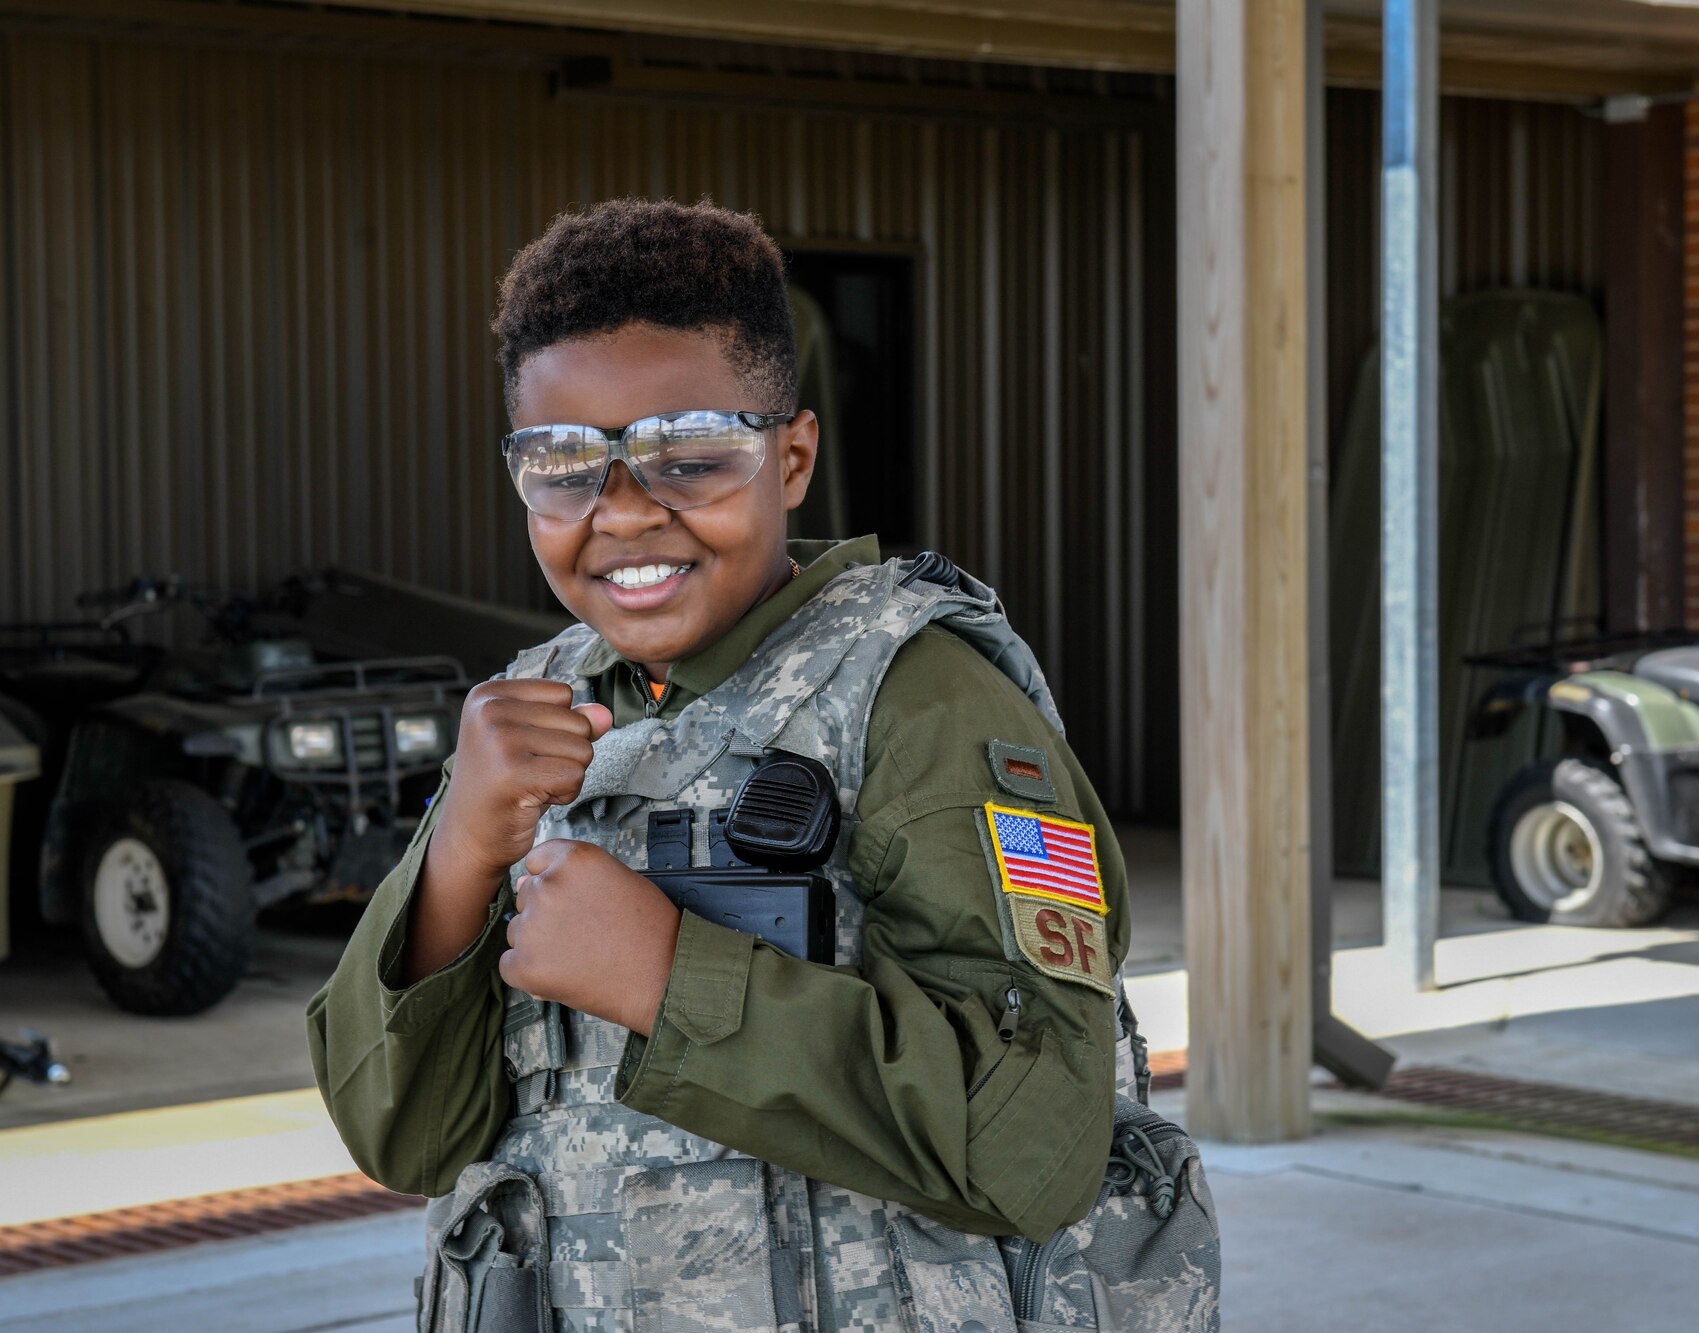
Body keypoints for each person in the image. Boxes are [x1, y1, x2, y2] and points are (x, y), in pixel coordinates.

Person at [307, 199, 1215, 1332]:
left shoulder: (919, 701)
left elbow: (1034, 1150)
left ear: (789, 457)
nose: (625, 514)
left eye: (688, 457)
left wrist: (663, 976)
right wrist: (458, 856)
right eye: (562, 465)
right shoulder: (535, 706)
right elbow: (402, 1136)